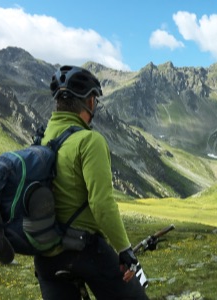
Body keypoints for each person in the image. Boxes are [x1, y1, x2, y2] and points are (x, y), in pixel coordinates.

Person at [33, 65, 149, 300]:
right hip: (83, 251)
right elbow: (101, 203)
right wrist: (125, 250)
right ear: (90, 102)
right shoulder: (89, 140)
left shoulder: (42, 141)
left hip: (44, 255)